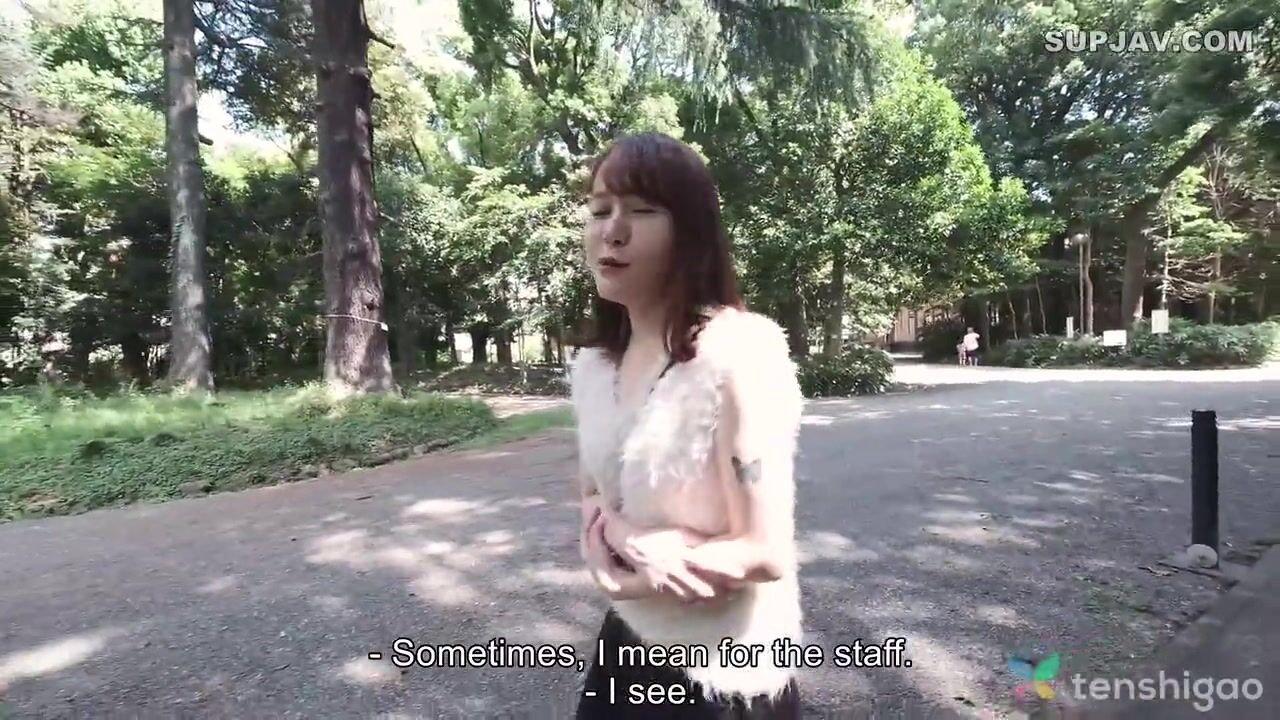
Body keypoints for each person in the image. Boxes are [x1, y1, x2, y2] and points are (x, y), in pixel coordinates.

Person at [567, 132, 805, 720]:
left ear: (690, 232)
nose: (612, 230)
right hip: (627, 645)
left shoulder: (739, 354)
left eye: (642, 210)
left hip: (726, 671)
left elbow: (764, 552)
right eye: (599, 210)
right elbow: (593, 497)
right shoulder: (594, 368)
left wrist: (633, 574)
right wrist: (625, 551)